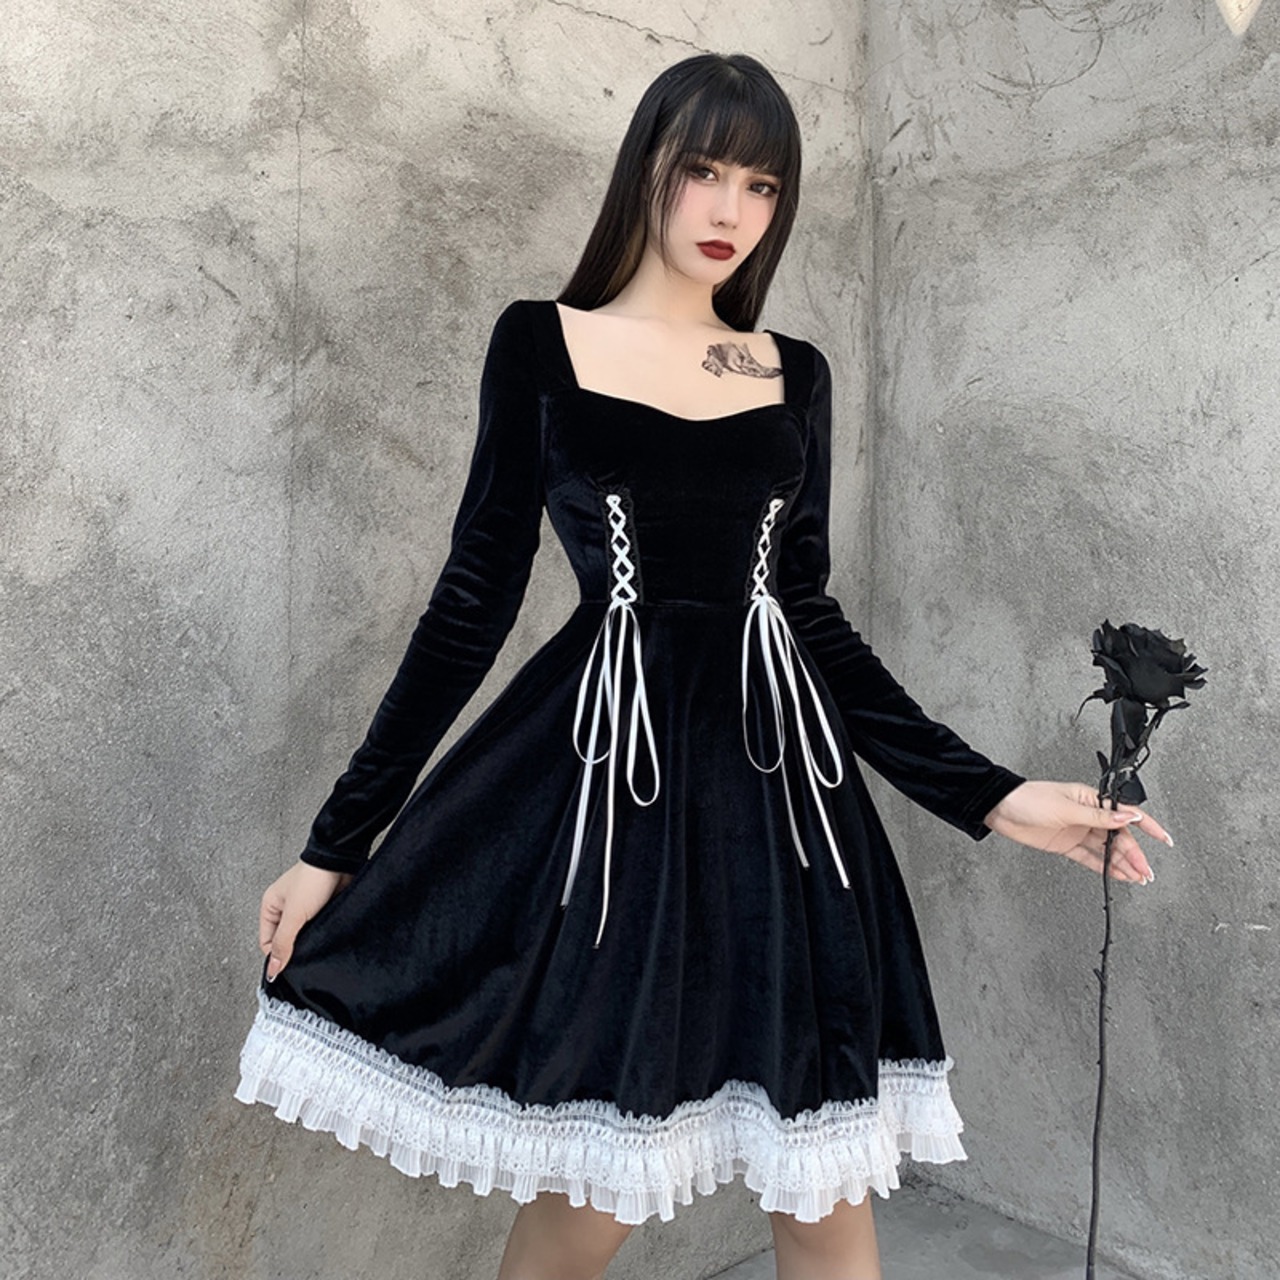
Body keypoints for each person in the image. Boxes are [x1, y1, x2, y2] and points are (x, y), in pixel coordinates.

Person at [234, 51, 1171, 1280]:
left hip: (788, 816)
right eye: (705, 172)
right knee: (589, 1200)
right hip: (608, 813)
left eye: (762, 185)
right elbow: (470, 604)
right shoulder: (541, 343)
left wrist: (993, 797)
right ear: (648, 171)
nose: (732, 209)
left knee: (822, 1184)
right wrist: (336, 843)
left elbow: (808, 617)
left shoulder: (792, 372)